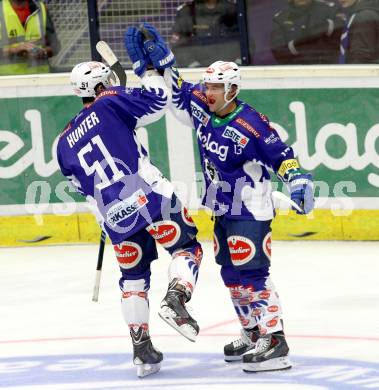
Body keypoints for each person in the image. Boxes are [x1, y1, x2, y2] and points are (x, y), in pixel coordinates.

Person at [130, 23, 314, 373]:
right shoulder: (203, 105)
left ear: (231, 89)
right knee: (230, 273)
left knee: (253, 273)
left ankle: (275, 341)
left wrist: (297, 178)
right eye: (208, 85)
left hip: (251, 209)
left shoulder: (252, 124)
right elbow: (181, 95)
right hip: (221, 207)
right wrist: (160, 68)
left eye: (215, 87)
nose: (209, 92)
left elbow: (282, 155)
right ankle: (251, 332)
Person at [56, 47, 203, 377]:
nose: (110, 83)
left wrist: (106, 223)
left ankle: (142, 350)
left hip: (113, 215)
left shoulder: (61, 143)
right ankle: (177, 298)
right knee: (186, 248)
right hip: (150, 197)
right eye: (106, 81)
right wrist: (148, 71)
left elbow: (83, 190)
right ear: (98, 87)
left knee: (133, 278)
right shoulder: (111, 101)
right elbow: (156, 101)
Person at [170, 0, 240, 67]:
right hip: (198, 70)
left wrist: (238, 64)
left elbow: (247, 40)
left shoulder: (235, 10)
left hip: (231, 70)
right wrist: (193, 66)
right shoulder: (187, 12)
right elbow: (178, 46)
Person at [0, 0, 60, 75]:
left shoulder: (41, 8)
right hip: (9, 80)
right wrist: (13, 50)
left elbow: (55, 46)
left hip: (40, 79)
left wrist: (43, 52)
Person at [270, 0, 337, 64]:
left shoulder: (328, 9)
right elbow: (279, 52)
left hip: (327, 68)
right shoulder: (281, 18)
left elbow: (340, 37)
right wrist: (301, 41)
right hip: (297, 70)